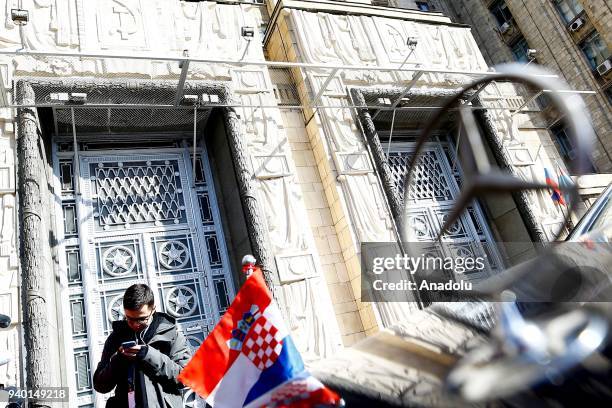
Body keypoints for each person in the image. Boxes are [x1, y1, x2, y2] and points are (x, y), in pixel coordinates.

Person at [93, 284, 191, 407]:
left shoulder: (172, 336)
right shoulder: (116, 338)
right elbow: (100, 386)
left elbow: (186, 378)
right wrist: (119, 359)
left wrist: (148, 354)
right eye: (129, 318)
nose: (135, 324)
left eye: (141, 319)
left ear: (153, 309)